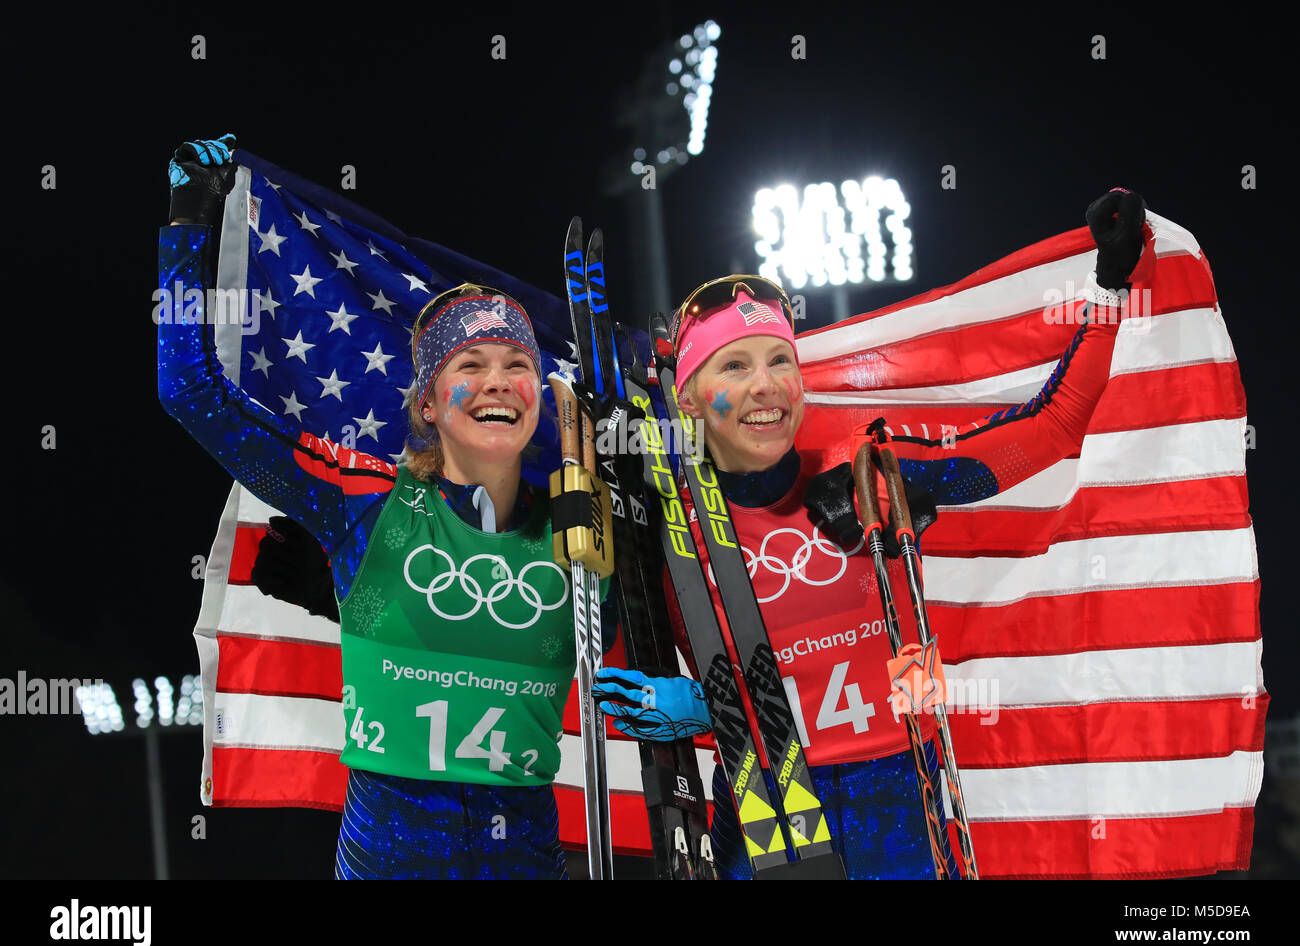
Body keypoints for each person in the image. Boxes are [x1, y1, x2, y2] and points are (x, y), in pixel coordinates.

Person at [592, 189, 1148, 878]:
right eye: (735, 365)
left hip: (906, 815)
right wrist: (687, 708)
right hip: (767, 829)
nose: (767, 385)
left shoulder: (870, 476)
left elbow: (1056, 426)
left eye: (780, 361)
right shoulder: (666, 527)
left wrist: (1111, 289)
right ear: (687, 395)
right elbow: (607, 675)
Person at [159, 134, 599, 879]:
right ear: (427, 402)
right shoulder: (363, 495)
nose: (498, 380)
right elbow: (188, 390)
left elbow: (626, 649)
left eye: (517, 365)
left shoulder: (579, 521)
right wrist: (184, 222)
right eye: (471, 365)